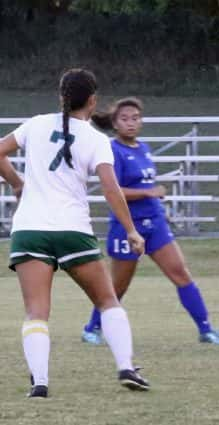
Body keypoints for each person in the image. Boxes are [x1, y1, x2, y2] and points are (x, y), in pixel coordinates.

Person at [0, 68, 150, 398]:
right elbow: (111, 189)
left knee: (36, 312)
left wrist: (16, 183)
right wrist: (131, 230)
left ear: (61, 97)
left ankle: (39, 383)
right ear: (93, 100)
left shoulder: (36, 124)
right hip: (73, 230)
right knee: (107, 300)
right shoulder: (97, 140)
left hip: (29, 230)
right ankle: (126, 367)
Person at [82, 97, 219, 346]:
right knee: (117, 288)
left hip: (155, 224)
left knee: (181, 274)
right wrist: (148, 193)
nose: (131, 123)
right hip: (128, 227)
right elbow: (113, 190)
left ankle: (206, 330)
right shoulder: (112, 150)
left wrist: (157, 206)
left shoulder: (144, 148)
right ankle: (92, 328)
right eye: (125, 119)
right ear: (115, 124)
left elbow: (144, 184)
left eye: (135, 118)